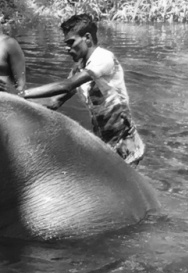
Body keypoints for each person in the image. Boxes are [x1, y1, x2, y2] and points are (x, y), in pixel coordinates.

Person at [19, 13, 145, 165]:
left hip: (125, 142)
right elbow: (54, 102)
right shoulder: (79, 68)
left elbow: (67, 85)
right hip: (105, 142)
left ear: (87, 38)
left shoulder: (104, 58)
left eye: (71, 42)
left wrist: (22, 94)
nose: (67, 48)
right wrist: (18, 105)